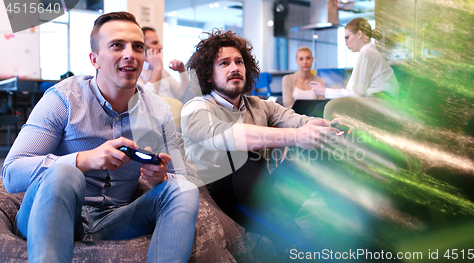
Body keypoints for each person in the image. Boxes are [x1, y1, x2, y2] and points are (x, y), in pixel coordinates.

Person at [2, 12, 199, 263]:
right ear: (94, 59)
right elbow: (10, 173)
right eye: (117, 45)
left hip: (115, 219)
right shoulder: (63, 99)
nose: (130, 54)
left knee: (184, 189)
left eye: (138, 47)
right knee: (66, 173)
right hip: (54, 211)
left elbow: (179, 178)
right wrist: (84, 160)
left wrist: (161, 177)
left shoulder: (158, 111)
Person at [181, 29, 346, 253]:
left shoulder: (259, 105)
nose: (234, 68)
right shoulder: (196, 108)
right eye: (224, 63)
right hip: (218, 200)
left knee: (317, 150)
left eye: (239, 62)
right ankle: (293, 239)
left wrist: (332, 127)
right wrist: (298, 136)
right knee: (243, 157)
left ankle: (354, 220)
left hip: (259, 196)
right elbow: (232, 136)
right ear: (209, 75)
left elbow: (301, 121)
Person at [310, 18, 399, 100]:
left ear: (359, 34)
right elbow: (356, 92)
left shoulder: (366, 53)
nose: (346, 43)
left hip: (380, 104)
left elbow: (355, 95)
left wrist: (325, 91)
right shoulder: (370, 51)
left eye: (347, 37)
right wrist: (333, 92)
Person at [138, 26, 189, 99]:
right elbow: (145, 99)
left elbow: (184, 96)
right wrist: (157, 69)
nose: (160, 46)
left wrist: (182, 71)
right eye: (154, 43)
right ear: (142, 46)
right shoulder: (136, 72)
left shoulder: (163, 71)